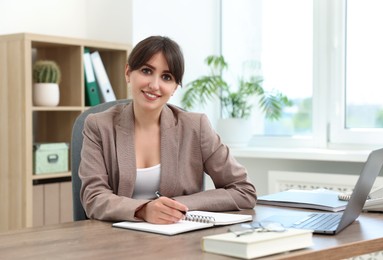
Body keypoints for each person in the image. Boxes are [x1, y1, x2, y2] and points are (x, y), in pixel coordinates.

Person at [79, 36, 257, 224]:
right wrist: (143, 210)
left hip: (177, 239)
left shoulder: (196, 127)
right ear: (128, 72)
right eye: (147, 71)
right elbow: (93, 197)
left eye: (166, 77)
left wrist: (174, 206)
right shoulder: (98, 125)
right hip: (116, 240)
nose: (155, 85)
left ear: (174, 87)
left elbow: (244, 191)